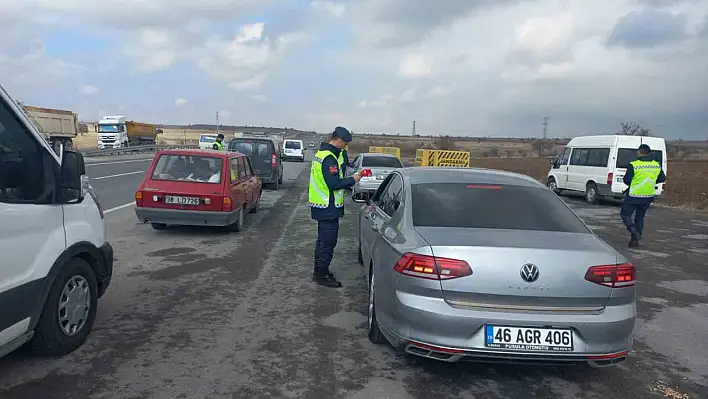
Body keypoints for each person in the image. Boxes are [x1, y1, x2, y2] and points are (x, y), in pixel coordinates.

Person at [309, 126, 361, 288]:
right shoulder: (329, 158)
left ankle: (319, 271)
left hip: (322, 206)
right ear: (338, 140)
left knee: (322, 242)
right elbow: (333, 184)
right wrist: (353, 179)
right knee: (328, 243)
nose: (345, 147)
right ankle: (321, 275)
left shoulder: (321, 154)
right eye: (344, 143)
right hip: (327, 207)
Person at [621, 144, 666, 248]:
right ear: (649, 153)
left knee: (625, 214)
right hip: (648, 195)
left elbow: (627, 180)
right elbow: (662, 178)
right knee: (640, 217)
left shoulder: (634, 164)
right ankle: (635, 241)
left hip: (634, 195)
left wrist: (636, 182)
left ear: (639, 152)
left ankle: (634, 232)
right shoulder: (656, 165)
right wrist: (650, 181)